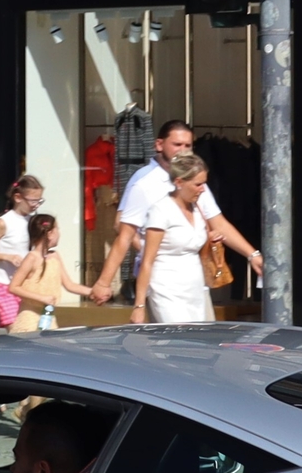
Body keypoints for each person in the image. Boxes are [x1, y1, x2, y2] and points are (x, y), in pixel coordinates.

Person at [90, 119, 262, 304]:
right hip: (159, 278)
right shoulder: (145, 181)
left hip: (195, 279)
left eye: (188, 145)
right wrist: (105, 281)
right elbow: (122, 228)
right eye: (177, 144)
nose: (182, 150)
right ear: (159, 144)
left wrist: (252, 255)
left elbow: (218, 222)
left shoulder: (195, 181)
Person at [133, 153, 246, 324]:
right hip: (166, 289)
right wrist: (139, 306)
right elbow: (147, 261)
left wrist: (211, 239)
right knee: (175, 342)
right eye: (198, 184)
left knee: (194, 343)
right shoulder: (161, 210)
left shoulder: (197, 208)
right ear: (179, 182)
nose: (203, 189)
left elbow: (193, 241)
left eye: (204, 183)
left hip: (195, 288)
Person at [9, 213, 93, 332]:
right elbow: (13, 287)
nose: (59, 232)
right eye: (57, 229)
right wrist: (41, 298)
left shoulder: (55, 256)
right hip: (29, 319)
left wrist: (93, 292)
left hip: (49, 318)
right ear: (49, 234)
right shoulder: (31, 258)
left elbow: (69, 285)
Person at [0, 176, 44, 327]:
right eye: (33, 200)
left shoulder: (35, 221)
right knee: (17, 330)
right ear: (18, 197)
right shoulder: (4, 222)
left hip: (27, 286)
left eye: (39, 200)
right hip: (5, 286)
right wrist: (6, 257)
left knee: (31, 329)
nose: (36, 205)